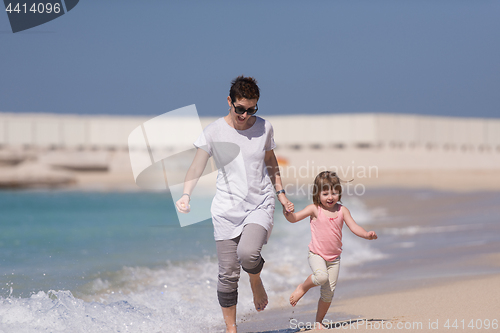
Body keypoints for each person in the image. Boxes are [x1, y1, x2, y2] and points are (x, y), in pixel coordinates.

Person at [175, 76, 294, 333]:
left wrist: (281, 194)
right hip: (226, 209)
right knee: (227, 274)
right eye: (240, 108)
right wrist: (186, 195)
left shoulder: (264, 128)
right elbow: (197, 165)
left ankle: (255, 278)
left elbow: (271, 163)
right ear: (229, 102)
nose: (245, 115)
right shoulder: (214, 131)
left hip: (259, 202)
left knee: (248, 254)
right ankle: (231, 328)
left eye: (252, 109)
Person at [283, 171, 377, 330]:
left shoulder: (342, 210)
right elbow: (294, 218)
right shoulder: (314, 209)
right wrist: (287, 213)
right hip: (316, 254)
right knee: (320, 276)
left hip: (334, 259)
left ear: (339, 192)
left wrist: (366, 235)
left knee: (328, 294)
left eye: (334, 192)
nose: (330, 197)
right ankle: (302, 288)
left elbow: (354, 227)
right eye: (325, 193)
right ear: (317, 194)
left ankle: (319, 321)